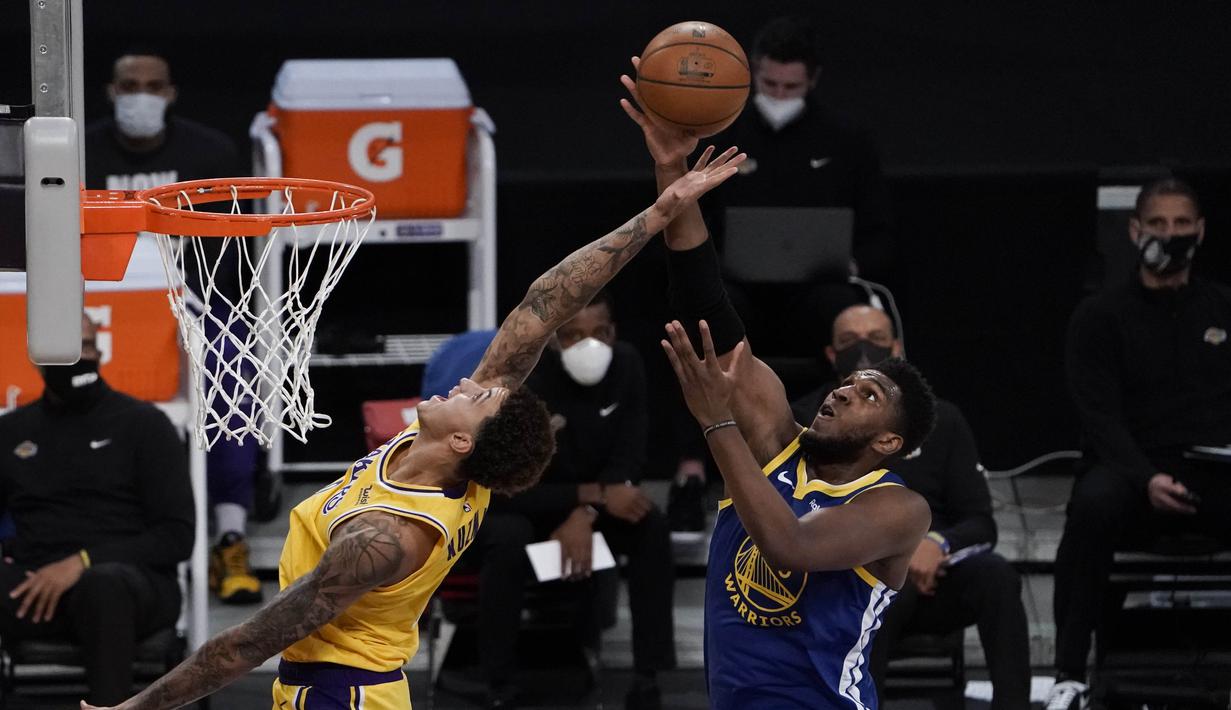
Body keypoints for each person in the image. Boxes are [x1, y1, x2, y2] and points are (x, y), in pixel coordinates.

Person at [81, 145, 745, 710]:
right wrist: (658, 213)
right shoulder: (459, 457)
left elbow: (246, 643)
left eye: (477, 397)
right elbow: (546, 302)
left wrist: (138, 707)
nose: (469, 381)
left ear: (462, 440)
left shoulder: (384, 537)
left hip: (339, 693)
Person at [622, 68, 936, 709]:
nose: (846, 391)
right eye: (849, 382)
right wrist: (673, 182)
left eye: (869, 395)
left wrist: (716, 426)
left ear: (889, 440)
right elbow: (711, 312)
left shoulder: (898, 510)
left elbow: (790, 548)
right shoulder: (776, 443)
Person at [84, 49, 262, 606]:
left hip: (196, 313)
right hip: (102, 315)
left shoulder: (210, 152)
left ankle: (229, 536)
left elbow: (234, 261)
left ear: (171, 93)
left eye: (153, 85)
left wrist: (200, 317)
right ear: (111, 92)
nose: (141, 95)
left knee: (234, 373)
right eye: (129, 84)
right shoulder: (74, 155)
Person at [1046, 177, 1231, 710]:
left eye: (1180, 225)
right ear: (1134, 231)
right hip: (1130, 471)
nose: (1169, 235)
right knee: (1092, 506)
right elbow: (1098, 415)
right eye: (1157, 224)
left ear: (1199, 231)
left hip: (1212, 470)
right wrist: (1145, 477)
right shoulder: (1099, 316)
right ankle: (1069, 675)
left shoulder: (1223, 309)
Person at [793, 305, 1030, 710]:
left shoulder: (941, 420)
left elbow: (980, 522)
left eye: (877, 339)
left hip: (930, 578)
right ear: (831, 356)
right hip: (848, 574)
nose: (865, 351)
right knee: (882, 591)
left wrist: (937, 543)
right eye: (850, 342)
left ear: (897, 350)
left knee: (997, 578)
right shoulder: (805, 420)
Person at [471, 289, 674, 709]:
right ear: (553, 340)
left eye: (600, 332)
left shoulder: (628, 365)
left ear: (614, 332)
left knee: (650, 523)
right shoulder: (525, 383)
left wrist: (584, 513)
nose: (590, 344)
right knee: (505, 534)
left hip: (594, 512)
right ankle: (499, 684)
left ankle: (647, 677)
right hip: (530, 510)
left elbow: (630, 451)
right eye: (574, 335)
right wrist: (583, 499)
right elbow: (506, 487)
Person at [0, 314, 194, 706]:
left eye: (86, 346)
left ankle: (110, 707)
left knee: (102, 585)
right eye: (66, 348)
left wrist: (82, 562)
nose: (78, 356)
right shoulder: (11, 432)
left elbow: (176, 536)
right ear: (38, 356)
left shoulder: (144, 424)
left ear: (100, 351)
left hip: (131, 585)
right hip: (34, 587)